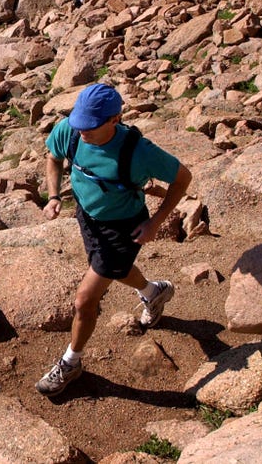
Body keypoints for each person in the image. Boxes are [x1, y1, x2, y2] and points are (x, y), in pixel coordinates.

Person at [35, 83, 192, 397]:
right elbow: (53, 158)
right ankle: (153, 292)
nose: (82, 133)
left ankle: (71, 362)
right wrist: (53, 196)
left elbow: (182, 178)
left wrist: (156, 222)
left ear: (115, 119)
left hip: (123, 227)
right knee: (113, 270)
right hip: (87, 216)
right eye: (79, 124)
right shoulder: (71, 129)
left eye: (90, 127)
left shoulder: (139, 151)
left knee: (84, 301)